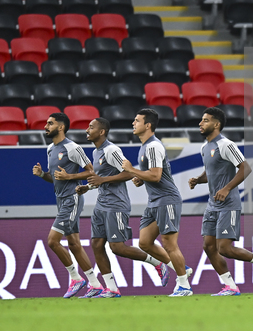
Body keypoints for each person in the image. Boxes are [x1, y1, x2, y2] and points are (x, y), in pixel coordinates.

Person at [76, 117, 169, 298]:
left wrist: (102, 180)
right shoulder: (96, 152)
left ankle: (157, 263)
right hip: (101, 203)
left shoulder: (111, 150)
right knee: (96, 244)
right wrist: (88, 187)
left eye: (91, 127)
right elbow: (102, 177)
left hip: (116, 205)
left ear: (102, 132)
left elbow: (128, 172)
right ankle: (111, 289)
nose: (87, 130)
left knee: (117, 247)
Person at [189, 107, 253, 296]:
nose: (200, 123)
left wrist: (227, 188)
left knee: (225, 248)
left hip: (229, 203)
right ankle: (230, 286)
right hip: (213, 204)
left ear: (216, 124)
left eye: (205, 120)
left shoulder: (226, 145)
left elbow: (245, 168)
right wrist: (198, 179)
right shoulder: (205, 147)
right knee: (208, 247)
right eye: (201, 120)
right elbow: (212, 173)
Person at [121, 109, 193, 297]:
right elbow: (152, 175)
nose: (133, 123)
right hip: (154, 201)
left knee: (169, 244)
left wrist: (132, 170)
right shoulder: (145, 146)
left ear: (148, 125)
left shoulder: (153, 146)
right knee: (144, 242)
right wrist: (140, 177)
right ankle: (181, 268)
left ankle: (184, 285)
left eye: (137, 121)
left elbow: (156, 175)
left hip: (167, 200)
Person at [32, 112, 100, 298]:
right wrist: (41, 175)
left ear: (61, 127)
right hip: (60, 199)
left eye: (50, 123)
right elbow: (54, 178)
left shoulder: (72, 148)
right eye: (46, 123)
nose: (46, 126)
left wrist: (70, 177)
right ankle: (95, 284)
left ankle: (76, 278)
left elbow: (91, 172)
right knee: (74, 244)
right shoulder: (50, 149)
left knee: (52, 241)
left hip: (72, 198)